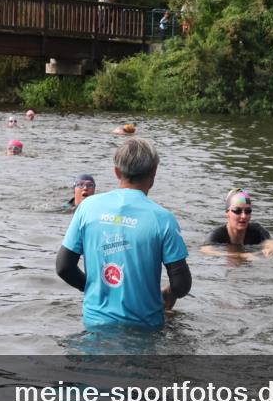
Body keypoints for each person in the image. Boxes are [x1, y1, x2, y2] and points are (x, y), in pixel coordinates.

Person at [56, 138, 191, 329]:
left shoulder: (87, 208)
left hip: (95, 325)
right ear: (154, 173)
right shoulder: (163, 219)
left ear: (117, 172)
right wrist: (168, 295)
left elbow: (63, 268)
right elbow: (181, 284)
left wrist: (92, 288)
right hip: (145, 328)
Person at [202, 189, 273, 258]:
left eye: (248, 211)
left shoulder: (257, 231)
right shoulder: (217, 235)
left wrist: (272, 249)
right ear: (227, 213)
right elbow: (206, 250)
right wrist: (240, 255)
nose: (244, 216)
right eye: (237, 211)